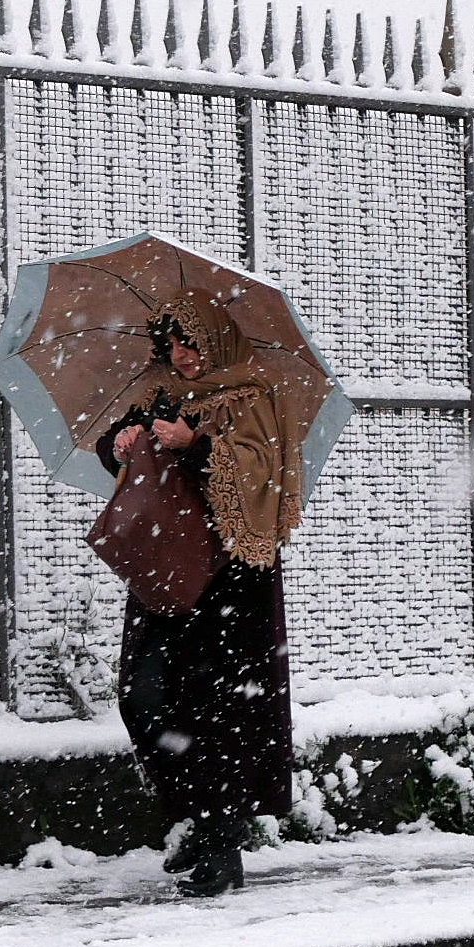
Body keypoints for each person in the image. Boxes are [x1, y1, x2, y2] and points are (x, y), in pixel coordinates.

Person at [94, 286, 305, 898]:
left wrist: (199, 445)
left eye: (190, 342)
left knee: (219, 713)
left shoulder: (253, 394)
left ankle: (222, 844)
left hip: (232, 582)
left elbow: (261, 477)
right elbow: (126, 455)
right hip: (169, 570)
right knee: (144, 698)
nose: (182, 355)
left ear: (214, 339)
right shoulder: (162, 395)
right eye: (172, 345)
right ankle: (204, 817)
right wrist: (121, 442)